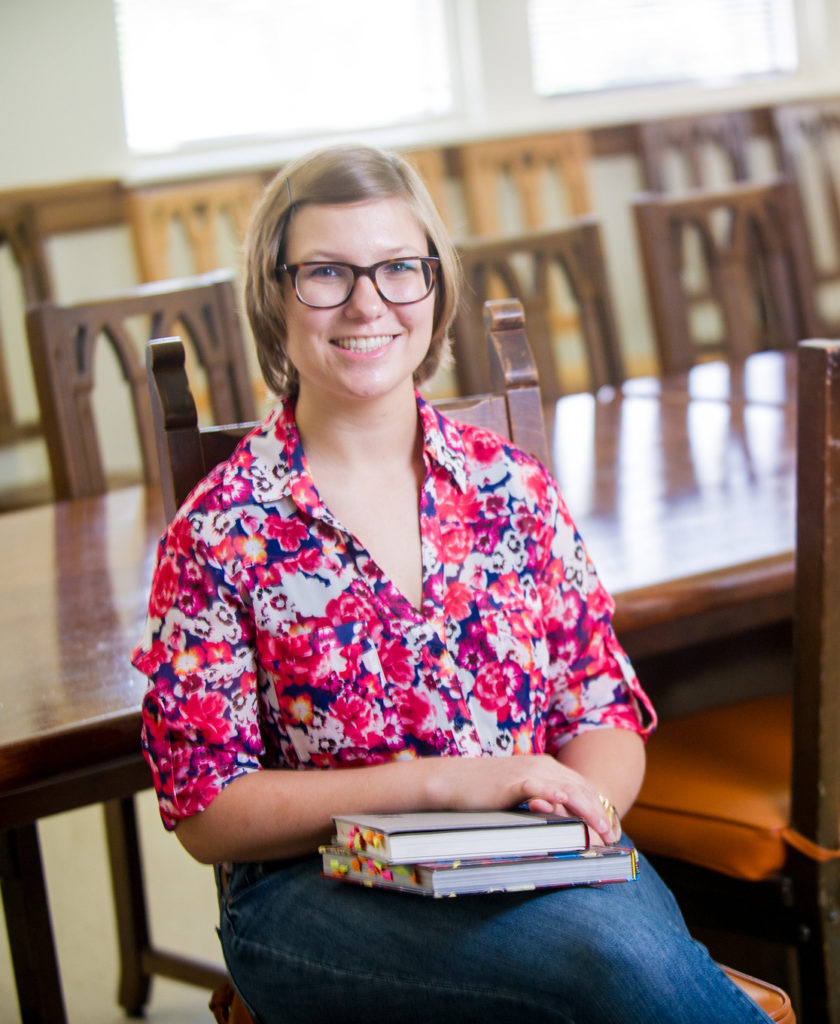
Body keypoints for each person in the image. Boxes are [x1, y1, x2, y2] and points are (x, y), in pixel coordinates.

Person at [132, 143, 772, 1023]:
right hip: (314, 897)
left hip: (536, 865)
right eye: (326, 272)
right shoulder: (219, 530)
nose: (368, 303)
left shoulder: (512, 487)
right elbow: (208, 810)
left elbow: (601, 712)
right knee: (617, 964)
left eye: (399, 268)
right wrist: (446, 782)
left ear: (435, 288)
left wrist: (569, 819)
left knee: (620, 958)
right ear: (273, 298)